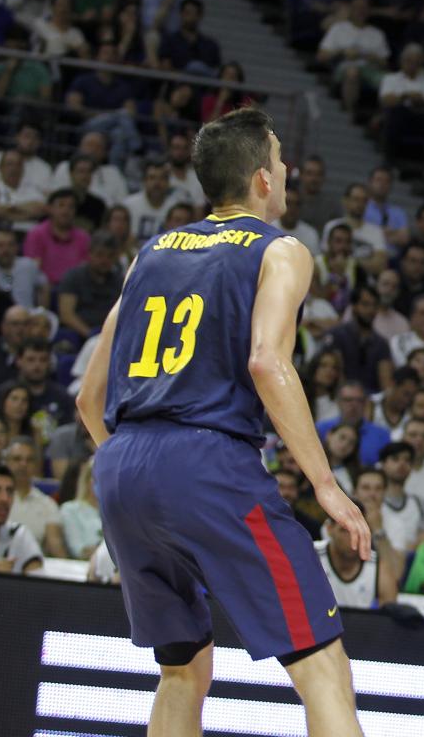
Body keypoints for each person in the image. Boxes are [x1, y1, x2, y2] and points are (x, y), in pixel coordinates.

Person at [72, 108, 370, 736]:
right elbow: (267, 361)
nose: (287, 170)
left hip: (121, 467)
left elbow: (88, 398)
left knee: (183, 669)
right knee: (324, 668)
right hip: (208, 462)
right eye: (281, 159)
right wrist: (325, 485)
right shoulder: (282, 250)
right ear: (263, 178)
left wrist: (134, 468)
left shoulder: (149, 253)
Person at [317, 510, 399, 610]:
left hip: (361, 625)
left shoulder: (379, 567)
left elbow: (389, 618)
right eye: (345, 530)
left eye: (359, 531)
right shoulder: (310, 555)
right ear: (329, 529)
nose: (353, 538)